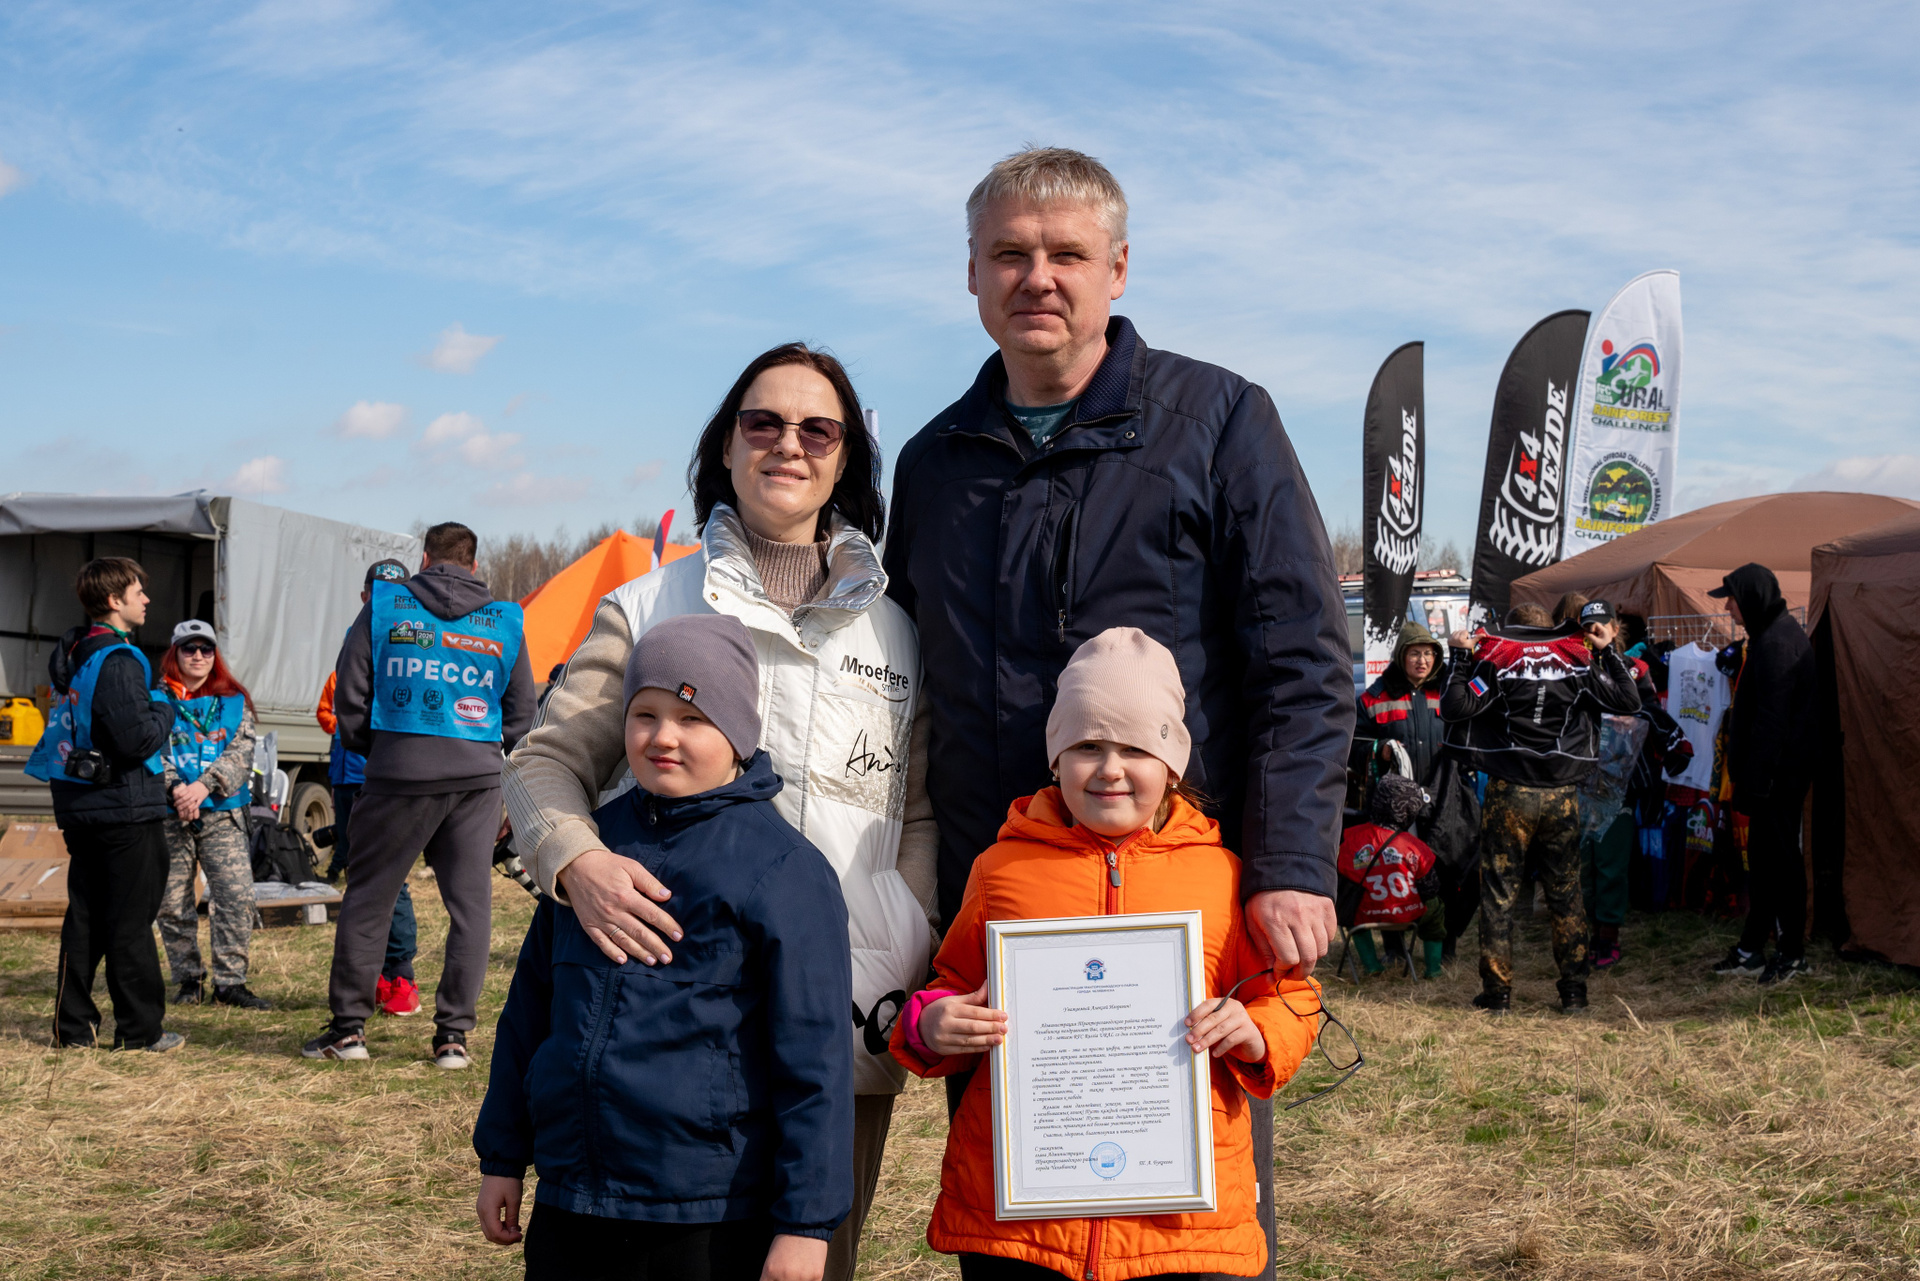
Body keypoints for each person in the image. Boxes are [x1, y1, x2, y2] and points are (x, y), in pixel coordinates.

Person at [880, 148, 1352, 1264]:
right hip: (1006, 906)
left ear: (1119, 269)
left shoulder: (1220, 421)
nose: (1037, 277)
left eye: (1067, 253)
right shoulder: (934, 463)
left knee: (1180, 1222)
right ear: (972, 272)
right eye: (1009, 253)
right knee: (1017, 1223)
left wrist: (1292, 862)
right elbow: (903, 682)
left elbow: (1301, 657)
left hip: (1181, 906)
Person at [503, 344, 934, 1281]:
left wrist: (900, 948)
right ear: (726, 445)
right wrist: (577, 863)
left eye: (818, 429)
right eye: (762, 422)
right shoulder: (647, 603)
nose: (789, 444)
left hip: (840, 1021)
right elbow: (543, 764)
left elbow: (919, 816)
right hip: (661, 1028)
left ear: (848, 458)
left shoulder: (899, 629)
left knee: (809, 1258)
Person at [890, 629, 1319, 1280]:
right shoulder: (1002, 870)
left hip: (1181, 1228)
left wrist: (1256, 1032)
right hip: (1029, 1228)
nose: (1110, 768)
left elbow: (1290, 995)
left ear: (1172, 765)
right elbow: (954, 983)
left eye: (1136, 748)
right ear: (1056, 760)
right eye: (1087, 746)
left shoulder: (1223, 877)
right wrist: (932, 1022)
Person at [475, 615, 853, 1281]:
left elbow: (815, 1064)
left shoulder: (785, 871)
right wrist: (503, 1156)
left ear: (738, 732)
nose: (663, 736)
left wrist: (805, 1225)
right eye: (644, 714)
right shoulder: (589, 855)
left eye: (692, 718)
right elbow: (529, 1013)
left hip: (708, 1215)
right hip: (574, 1199)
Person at [305, 522, 534, 1066]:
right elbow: (523, 714)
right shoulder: (506, 621)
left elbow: (350, 691)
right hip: (476, 782)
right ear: (474, 566)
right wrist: (494, 765)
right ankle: (453, 1038)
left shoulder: (384, 606)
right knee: (470, 907)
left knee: (369, 898)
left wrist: (382, 749)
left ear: (425, 558)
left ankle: (349, 1032)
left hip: (397, 776)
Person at [1443, 602, 1640, 1014]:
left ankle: (1497, 995)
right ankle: (1574, 993)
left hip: (1509, 790)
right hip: (1559, 792)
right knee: (1566, 893)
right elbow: (1628, 700)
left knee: (1499, 894)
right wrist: (1607, 650)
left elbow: (1454, 707)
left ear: (1510, 630)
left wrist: (1460, 657)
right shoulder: (1576, 661)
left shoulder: (1498, 659)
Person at [28, 557, 185, 1051]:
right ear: (115, 601)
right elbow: (135, 740)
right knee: (130, 920)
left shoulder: (76, 652)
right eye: (138, 592)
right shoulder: (119, 659)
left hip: (83, 803)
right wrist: (164, 705)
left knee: (87, 918)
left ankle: (73, 1029)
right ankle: (140, 1032)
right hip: (123, 806)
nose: (147, 600)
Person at [1553, 596, 1690, 970]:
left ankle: (1608, 936)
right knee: (1579, 864)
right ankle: (1580, 936)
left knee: (1611, 863)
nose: (1594, 631)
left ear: (1615, 629)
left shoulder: (1634, 669)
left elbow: (1649, 710)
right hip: (1576, 780)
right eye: (1587, 626)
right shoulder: (1568, 668)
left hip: (1618, 783)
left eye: (1601, 625)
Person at [315, 559, 423, 1017]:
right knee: (361, 877)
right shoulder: (354, 638)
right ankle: (374, 974)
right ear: (364, 596)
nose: (387, 601)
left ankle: (401, 975)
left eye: (397, 593)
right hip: (352, 774)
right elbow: (339, 704)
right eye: (379, 592)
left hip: (391, 778)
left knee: (391, 878)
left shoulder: (420, 640)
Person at [1707, 563, 1817, 984]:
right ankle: (1752, 948)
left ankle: (1791, 954)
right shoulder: (1769, 637)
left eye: (1732, 599)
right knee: (1765, 865)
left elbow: (1774, 721)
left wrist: (1758, 781)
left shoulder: (1778, 643)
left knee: (1782, 863)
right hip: (1768, 777)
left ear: (1751, 598)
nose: (1728, 608)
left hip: (1777, 779)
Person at [155, 619, 270, 1010]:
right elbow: (149, 752)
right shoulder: (155, 700)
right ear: (175, 654)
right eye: (189, 648)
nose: (198, 656)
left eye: (206, 648)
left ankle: (230, 983)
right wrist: (176, 789)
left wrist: (203, 787)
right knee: (172, 903)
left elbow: (241, 755)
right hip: (172, 814)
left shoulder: (234, 701)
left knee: (236, 897)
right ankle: (189, 980)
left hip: (223, 813)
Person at [1337, 774, 1446, 980]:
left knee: (1349, 909)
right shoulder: (1414, 846)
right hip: (1408, 914)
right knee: (1435, 908)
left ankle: (1371, 965)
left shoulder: (1352, 839)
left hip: (1365, 915)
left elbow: (1342, 877)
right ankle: (1433, 969)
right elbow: (1431, 887)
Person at [1356, 621, 1445, 784]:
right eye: (1414, 654)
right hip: (1394, 795)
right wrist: (1381, 750)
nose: (1422, 661)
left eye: (1428, 653)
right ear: (1401, 656)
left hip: (1442, 794)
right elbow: (1353, 749)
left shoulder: (1448, 694)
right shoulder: (1373, 699)